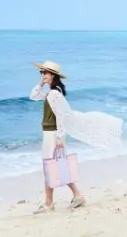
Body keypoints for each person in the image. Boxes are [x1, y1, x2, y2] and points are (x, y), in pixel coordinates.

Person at [29, 59, 85, 214]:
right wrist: (41, 83)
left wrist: (60, 137)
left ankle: (49, 204)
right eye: (41, 72)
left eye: (45, 73)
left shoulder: (54, 94)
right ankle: (76, 196)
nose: (43, 75)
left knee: (50, 168)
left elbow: (61, 116)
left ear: (53, 75)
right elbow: (33, 96)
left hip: (52, 135)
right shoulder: (50, 93)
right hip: (50, 134)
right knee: (57, 167)